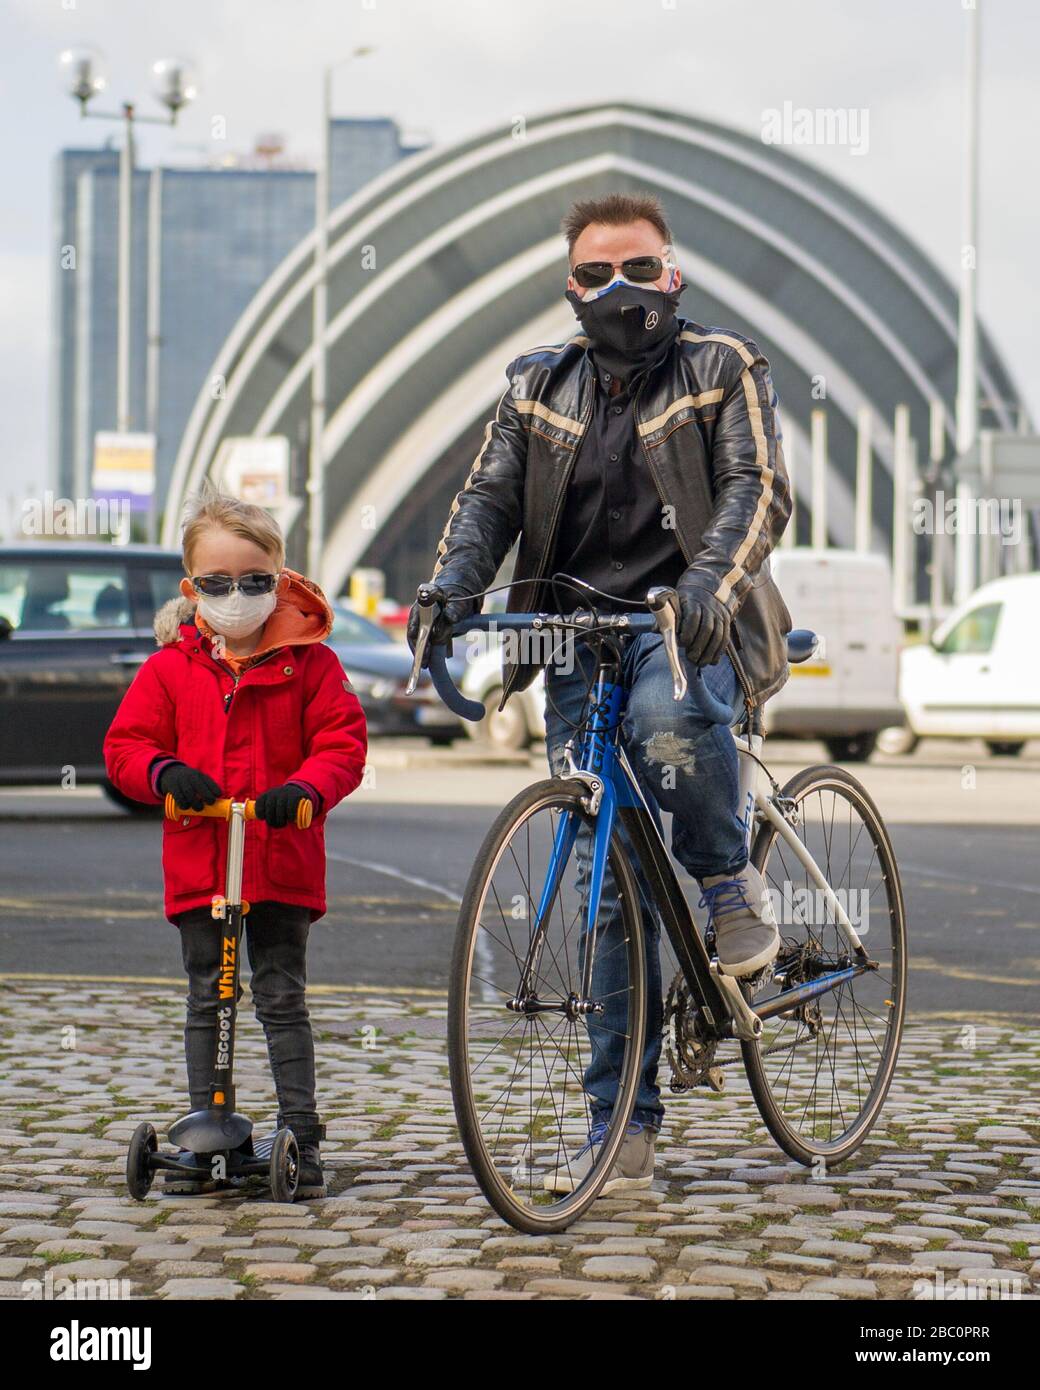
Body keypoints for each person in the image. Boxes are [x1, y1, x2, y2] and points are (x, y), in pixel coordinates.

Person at [408, 191, 793, 1194]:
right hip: (579, 640)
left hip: (689, 622)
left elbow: (757, 488)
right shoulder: (537, 384)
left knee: (671, 717)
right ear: (567, 289)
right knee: (604, 896)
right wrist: (451, 585)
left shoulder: (721, 367)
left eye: (637, 269)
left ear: (672, 275)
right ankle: (619, 1122)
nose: (616, 291)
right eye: (593, 275)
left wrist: (711, 582)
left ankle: (723, 880)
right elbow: (489, 498)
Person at [104, 484, 367, 1197]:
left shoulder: (310, 664)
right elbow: (126, 747)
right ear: (194, 589)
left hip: (279, 857)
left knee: (281, 996)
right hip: (203, 861)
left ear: (278, 581)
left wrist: (306, 790)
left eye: (255, 582)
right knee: (207, 997)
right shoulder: (169, 669)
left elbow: (343, 743)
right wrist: (167, 773)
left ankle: (301, 1135)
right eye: (219, 584)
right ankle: (206, 1129)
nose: (238, 596)